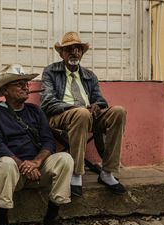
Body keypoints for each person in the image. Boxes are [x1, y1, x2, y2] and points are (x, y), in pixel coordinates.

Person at [0, 64, 75, 225]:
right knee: (7, 163)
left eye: (26, 83)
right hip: (6, 170)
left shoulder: (35, 110)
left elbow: (48, 141)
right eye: (19, 84)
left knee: (65, 159)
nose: (26, 87)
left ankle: (52, 216)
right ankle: (2, 223)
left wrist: (37, 162)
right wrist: (22, 164)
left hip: (34, 169)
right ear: (5, 90)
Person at [40, 31, 127, 197]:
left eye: (78, 49)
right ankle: (76, 174)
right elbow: (48, 102)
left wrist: (97, 105)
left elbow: (101, 100)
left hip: (88, 116)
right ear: (62, 53)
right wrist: (72, 108)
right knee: (81, 113)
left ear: (82, 53)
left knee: (118, 112)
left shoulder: (89, 75)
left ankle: (107, 172)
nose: (74, 52)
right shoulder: (51, 71)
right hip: (60, 116)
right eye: (69, 49)